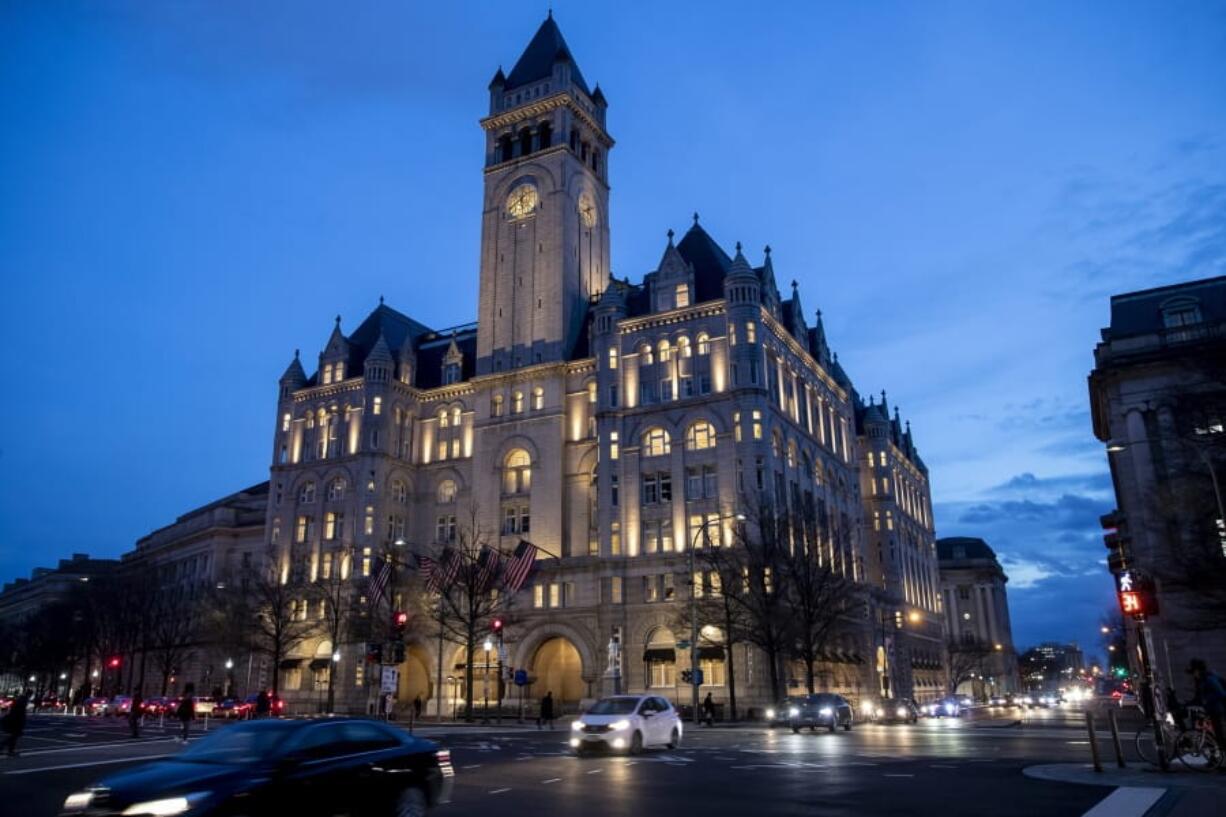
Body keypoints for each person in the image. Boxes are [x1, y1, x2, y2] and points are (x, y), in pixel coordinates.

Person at [1187, 658, 1225, 747]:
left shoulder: (1209, 679)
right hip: (1212, 709)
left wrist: (1207, 699)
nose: (1193, 675)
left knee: (1221, 736)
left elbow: (1222, 693)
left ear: (1197, 671)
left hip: (1217, 710)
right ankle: (1218, 754)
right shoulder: (1202, 680)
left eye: (1193, 672)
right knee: (1217, 734)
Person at [2, 691, 29, 757]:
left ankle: (9, 750)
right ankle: (9, 751)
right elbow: (20, 716)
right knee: (13, 738)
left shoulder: (17, 702)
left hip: (13, 722)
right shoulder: (22, 704)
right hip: (16, 723)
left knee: (12, 737)